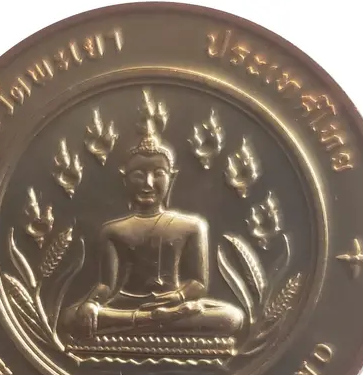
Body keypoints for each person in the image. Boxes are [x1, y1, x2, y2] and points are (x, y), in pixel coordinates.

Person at [62, 120, 244, 339]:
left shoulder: (192, 226)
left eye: (158, 173)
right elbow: (106, 285)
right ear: (125, 180)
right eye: (138, 175)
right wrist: (92, 303)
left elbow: (198, 284)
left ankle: (144, 323)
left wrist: (177, 298)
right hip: (127, 305)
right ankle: (150, 321)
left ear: (171, 178)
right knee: (70, 317)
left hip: (173, 306)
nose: (148, 183)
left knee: (232, 317)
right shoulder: (112, 230)